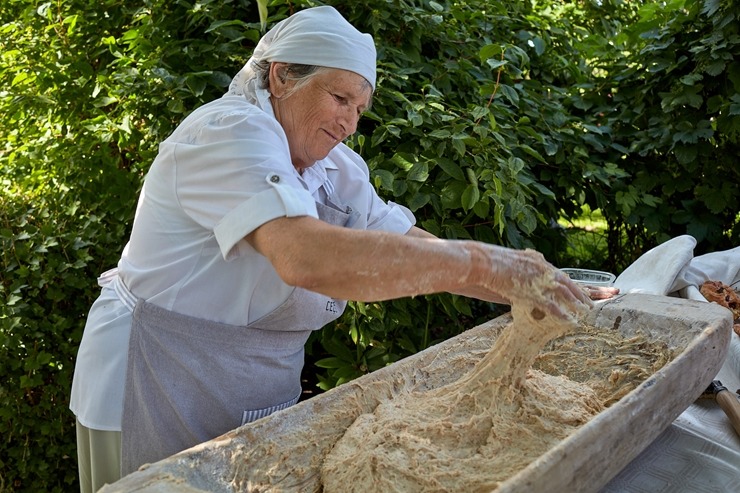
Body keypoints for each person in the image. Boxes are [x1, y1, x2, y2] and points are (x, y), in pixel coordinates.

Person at [69, 6, 604, 492]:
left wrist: (546, 287)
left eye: (360, 108)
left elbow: (410, 245)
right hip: (157, 378)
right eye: (339, 97)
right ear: (281, 77)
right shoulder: (227, 132)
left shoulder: (334, 165)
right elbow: (304, 256)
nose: (349, 122)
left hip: (251, 382)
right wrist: (487, 261)